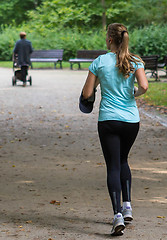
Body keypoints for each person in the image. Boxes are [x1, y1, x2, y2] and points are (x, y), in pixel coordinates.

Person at [80, 23, 148, 236]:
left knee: (113, 166)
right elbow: (145, 87)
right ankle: (127, 207)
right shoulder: (135, 61)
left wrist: (97, 88)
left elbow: (87, 93)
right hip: (130, 121)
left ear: (109, 40)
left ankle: (117, 215)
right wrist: (132, 95)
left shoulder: (100, 62)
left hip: (108, 120)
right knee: (123, 160)